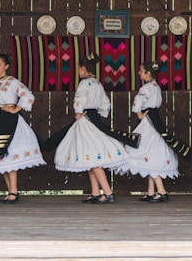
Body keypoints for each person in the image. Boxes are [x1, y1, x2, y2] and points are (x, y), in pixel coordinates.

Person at [50, 53, 137, 204]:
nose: (78, 71)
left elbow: (80, 98)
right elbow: (105, 102)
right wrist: (100, 114)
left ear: (83, 68)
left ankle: (108, 193)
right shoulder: (97, 83)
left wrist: (78, 112)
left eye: (78, 68)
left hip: (86, 120)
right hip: (94, 118)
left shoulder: (84, 84)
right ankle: (95, 192)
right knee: (88, 157)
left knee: (92, 157)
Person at [0, 53, 46, 204]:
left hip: (9, 120)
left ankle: (13, 191)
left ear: (6, 66)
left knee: (8, 153)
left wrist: (15, 109)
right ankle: (10, 191)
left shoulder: (12, 82)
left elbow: (28, 95)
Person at [116, 61, 190, 203]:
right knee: (150, 154)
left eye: (141, 71)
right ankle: (151, 191)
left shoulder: (147, 88)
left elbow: (138, 100)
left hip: (148, 122)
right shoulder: (156, 86)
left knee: (147, 152)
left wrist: (138, 114)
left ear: (148, 73)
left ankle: (161, 191)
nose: (139, 73)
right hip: (154, 121)